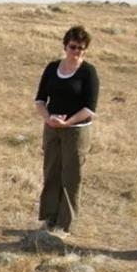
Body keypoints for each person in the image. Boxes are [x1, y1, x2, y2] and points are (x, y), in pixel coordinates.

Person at [34, 25, 100, 235]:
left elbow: (90, 107)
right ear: (65, 46)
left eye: (81, 48)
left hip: (77, 130)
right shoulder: (52, 68)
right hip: (52, 128)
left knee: (72, 176)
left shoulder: (88, 72)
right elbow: (40, 99)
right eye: (73, 47)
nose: (76, 51)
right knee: (51, 172)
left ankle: (65, 224)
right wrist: (48, 119)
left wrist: (68, 122)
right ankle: (49, 218)